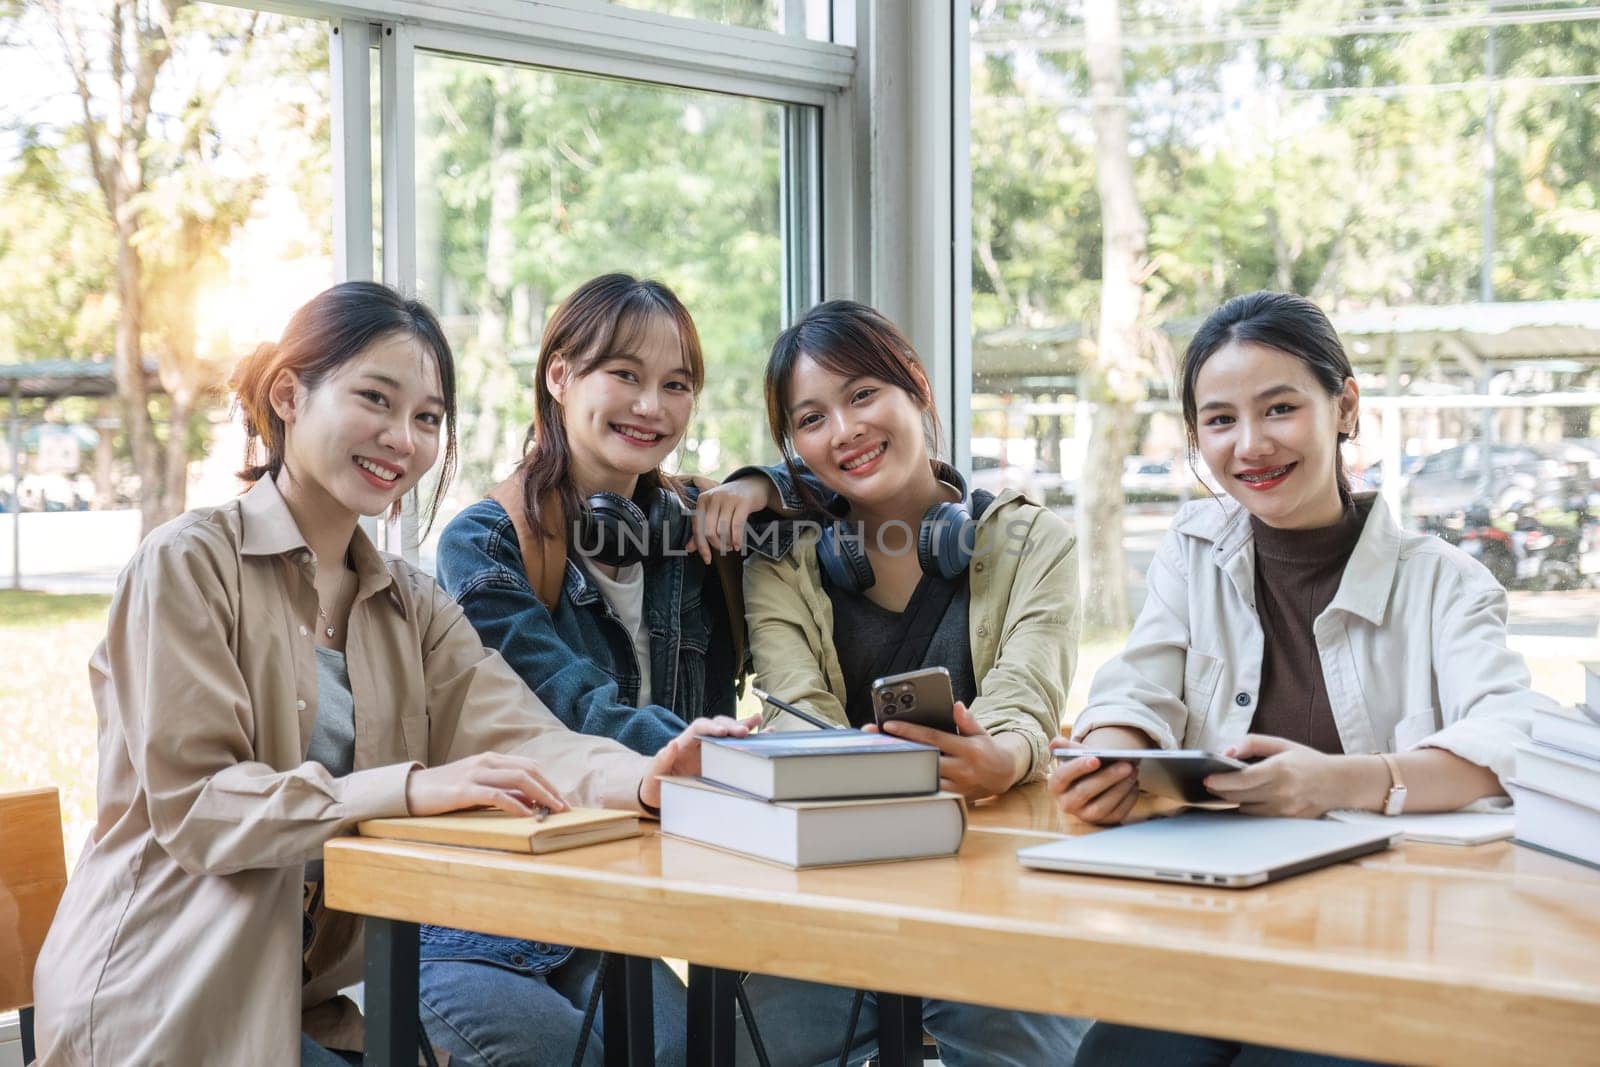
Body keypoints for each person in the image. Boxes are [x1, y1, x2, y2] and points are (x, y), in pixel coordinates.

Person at [28, 281, 751, 1067]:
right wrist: (403, 787)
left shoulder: (410, 602)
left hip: (307, 1001)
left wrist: (646, 776)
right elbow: (200, 805)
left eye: (427, 417)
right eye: (375, 399)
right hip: (165, 996)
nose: (401, 438)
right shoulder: (187, 564)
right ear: (289, 395)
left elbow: (526, 734)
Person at [1051, 290, 1553, 1067]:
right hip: (1213, 926)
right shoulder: (1191, 552)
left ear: (1345, 406)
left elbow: (1514, 740)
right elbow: (1135, 687)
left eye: (1279, 408)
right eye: (1220, 420)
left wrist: (1338, 781)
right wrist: (1110, 758)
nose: (1250, 444)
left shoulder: (1445, 582)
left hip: (1388, 945)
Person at [700, 299, 1089, 1066]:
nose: (843, 431)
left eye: (863, 394)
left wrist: (1005, 756)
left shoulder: (1034, 540)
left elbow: (1027, 694)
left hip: (989, 893)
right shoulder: (783, 562)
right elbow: (795, 714)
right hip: (832, 891)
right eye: (811, 418)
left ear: (919, 392)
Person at [416, 273, 745, 1066]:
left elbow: (853, 495)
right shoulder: (485, 543)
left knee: (694, 1051)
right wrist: (721, 762)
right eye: (625, 375)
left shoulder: (689, 531)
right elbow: (571, 710)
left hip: (623, 899)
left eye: (676, 385)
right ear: (559, 376)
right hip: (496, 908)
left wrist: (768, 486)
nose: (651, 406)